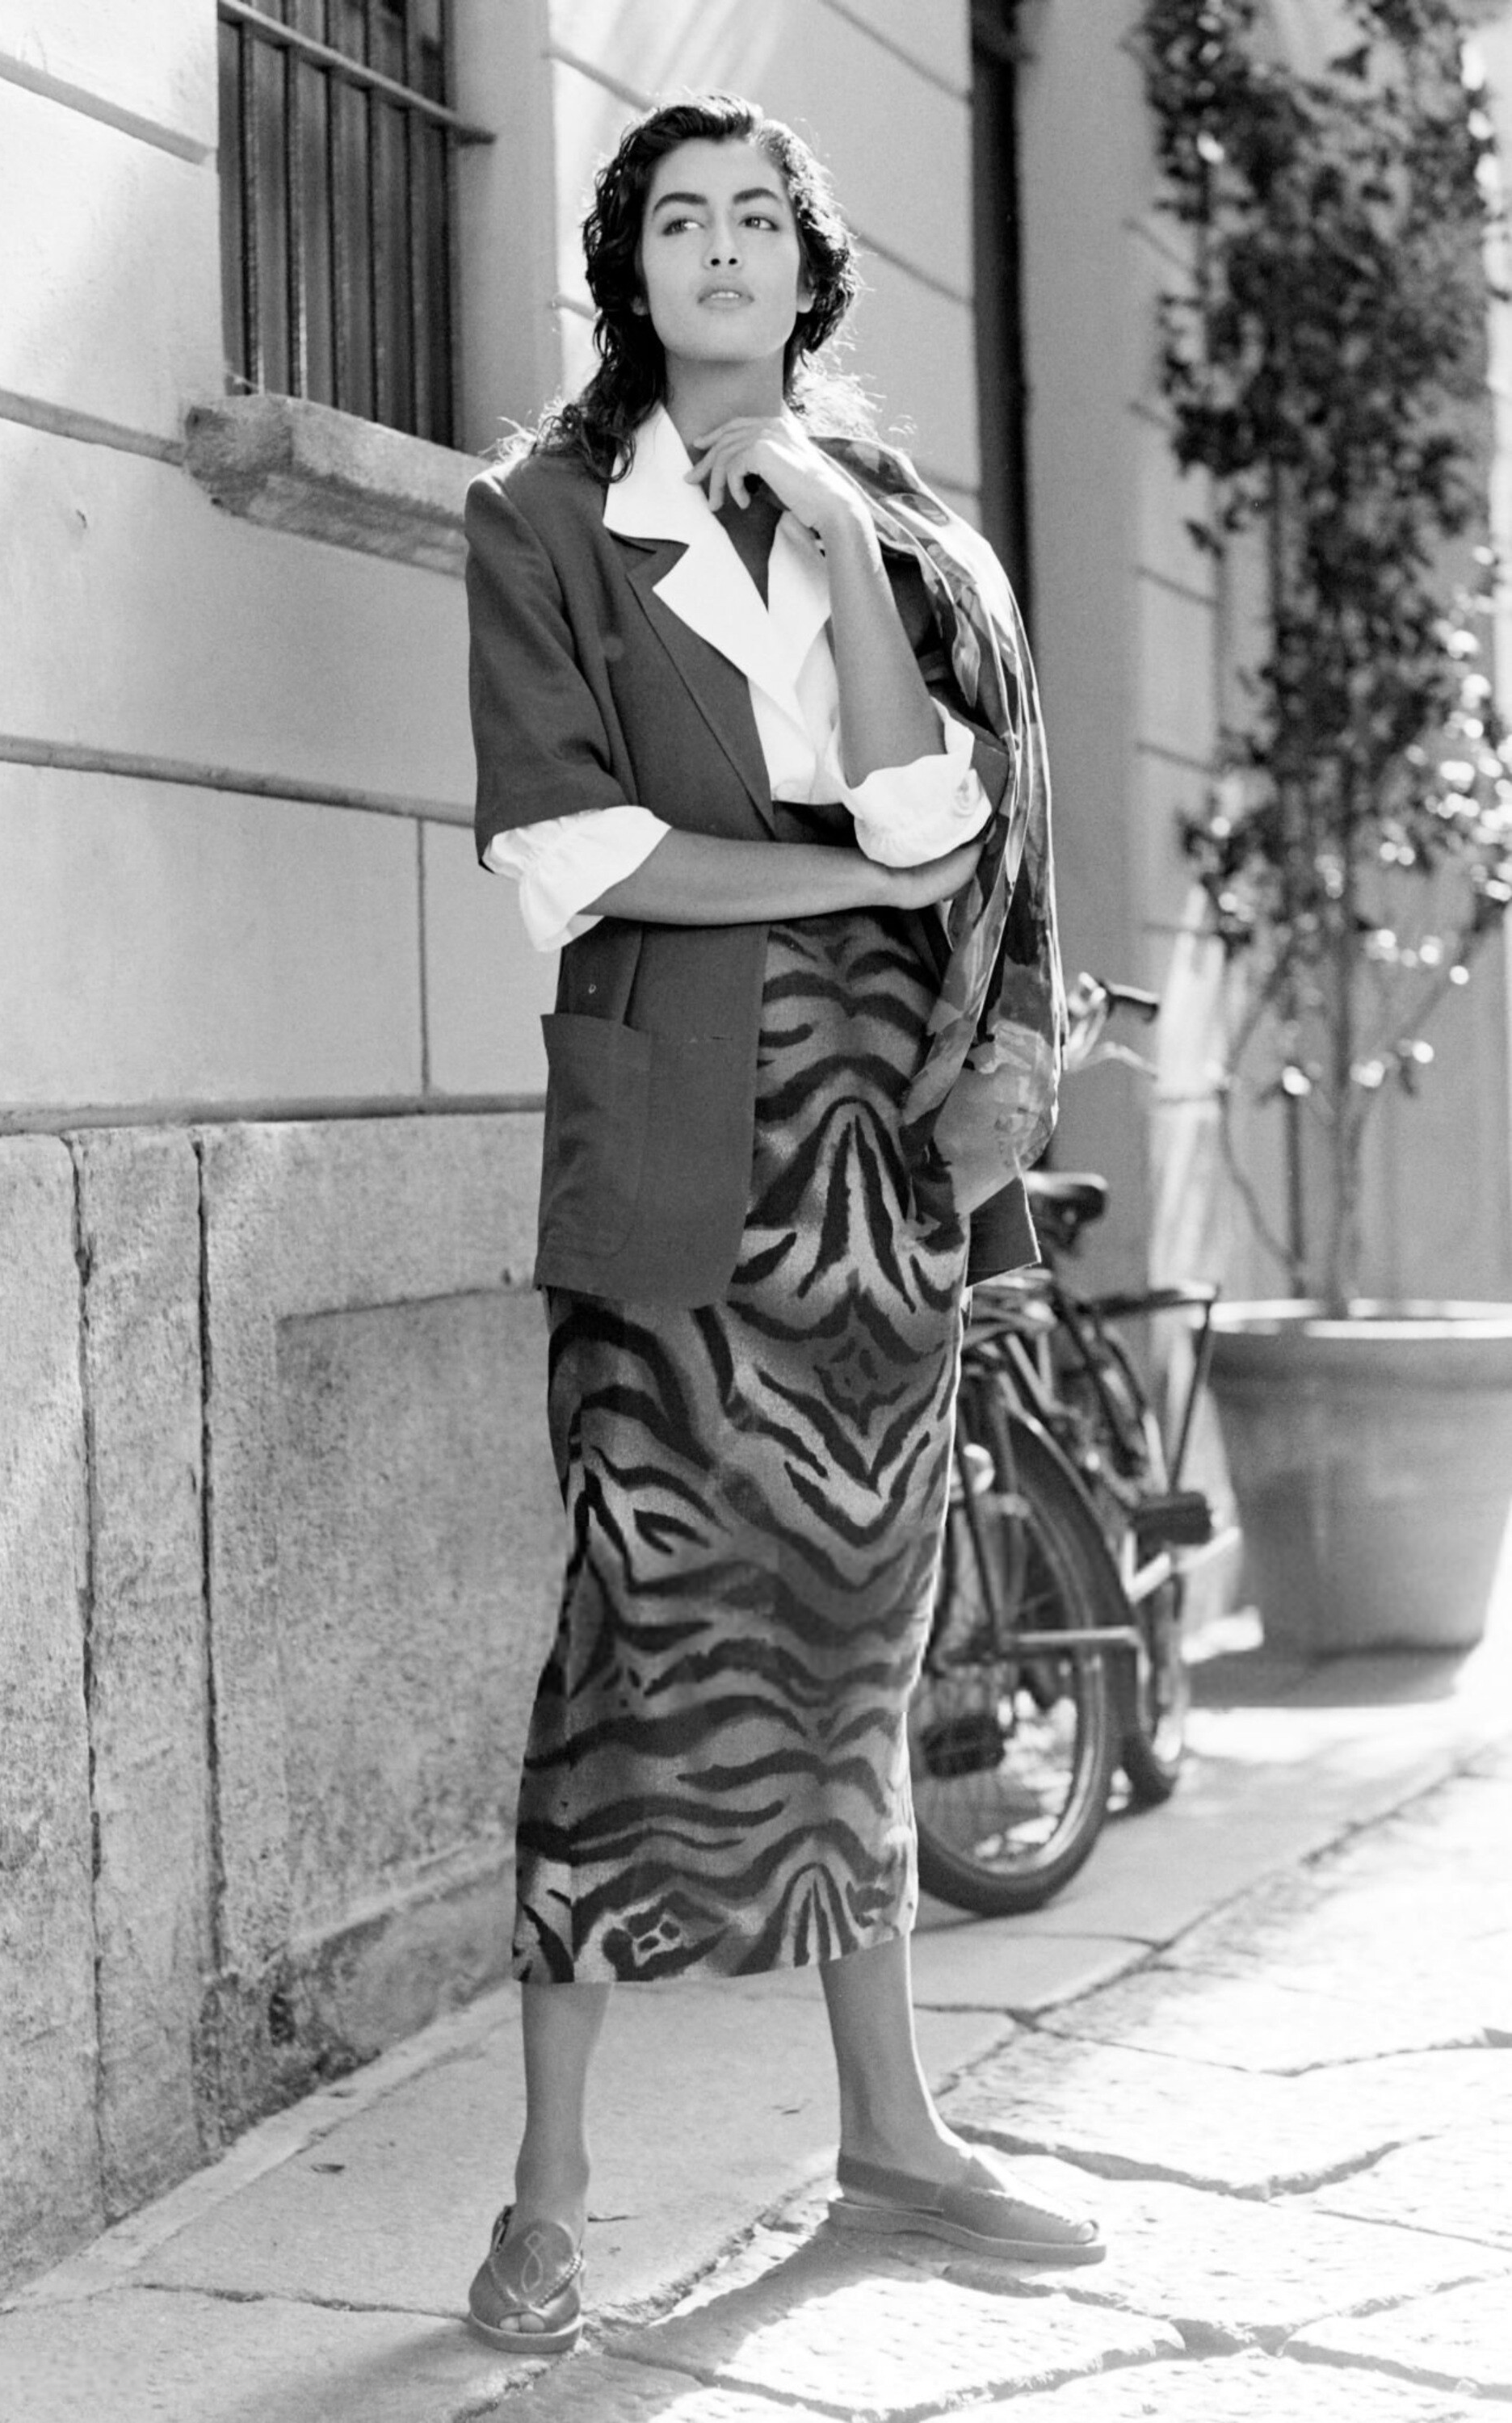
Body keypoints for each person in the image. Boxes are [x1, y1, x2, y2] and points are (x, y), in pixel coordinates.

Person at [462, 93, 1098, 2354]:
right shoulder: (544, 519)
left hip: (880, 1166)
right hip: (678, 1152)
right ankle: (545, 2199)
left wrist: (827, 526)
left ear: (811, 271)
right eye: (677, 219)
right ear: (628, 267)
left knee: (856, 1644)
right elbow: (573, 852)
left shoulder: (898, 532)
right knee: (632, 1653)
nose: (718, 249)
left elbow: (951, 818)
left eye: (757, 218)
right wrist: (845, 882)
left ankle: (893, 2137)